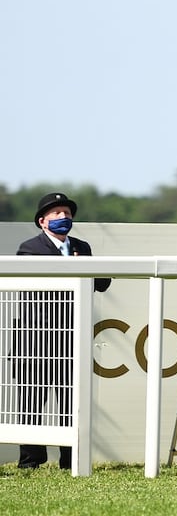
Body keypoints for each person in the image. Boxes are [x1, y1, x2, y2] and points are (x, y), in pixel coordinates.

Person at [12, 192, 111, 470]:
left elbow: (102, 282)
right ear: (42, 221)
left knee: (71, 404)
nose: (63, 218)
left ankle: (70, 460)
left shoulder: (83, 247)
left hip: (71, 342)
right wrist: (74, 269)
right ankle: (30, 461)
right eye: (56, 214)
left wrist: (87, 266)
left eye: (66, 213)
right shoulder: (29, 248)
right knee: (31, 404)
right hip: (35, 343)